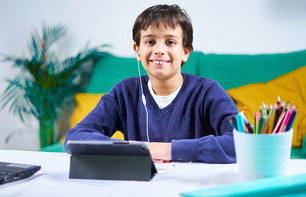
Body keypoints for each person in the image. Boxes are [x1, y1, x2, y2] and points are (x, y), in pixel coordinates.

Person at [64, 4, 239, 163]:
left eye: (170, 42)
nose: (159, 50)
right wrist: (133, 149)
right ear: (137, 50)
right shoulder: (124, 92)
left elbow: (240, 142)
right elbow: (75, 137)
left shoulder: (208, 91)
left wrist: (165, 150)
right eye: (150, 42)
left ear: (185, 52)